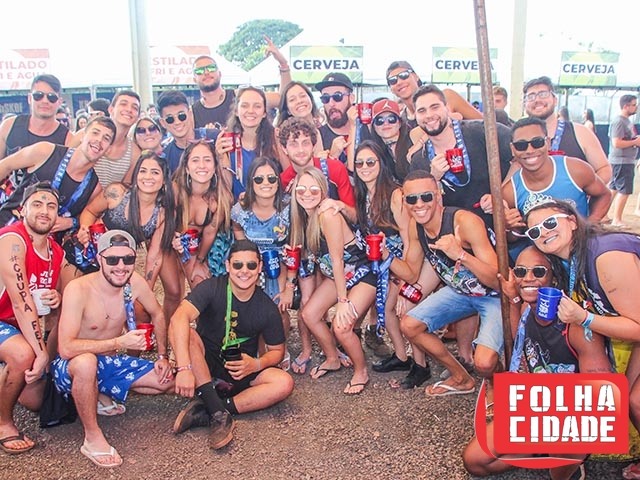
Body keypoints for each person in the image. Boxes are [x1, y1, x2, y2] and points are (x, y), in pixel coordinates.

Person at [462, 246, 611, 479]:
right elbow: (518, 339)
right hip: (535, 408)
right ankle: (540, 449)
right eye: (521, 271)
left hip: (568, 416)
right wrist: (513, 299)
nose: (528, 278)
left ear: (555, 278)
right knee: (475, 462)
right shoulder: (525, 310)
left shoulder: (576, 326)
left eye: (539, 271)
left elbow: (600, 397)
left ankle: (569, 464)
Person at [520, 197, 640, 480]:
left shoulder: (606, 256)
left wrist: (584, 318)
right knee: (630, 399)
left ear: (572, 221)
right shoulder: (572, 260)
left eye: (550, 223)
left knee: (637, 401)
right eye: (535, 231)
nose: (543, 232)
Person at [53, 230, 174, 468]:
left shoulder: (134, 282)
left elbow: (158, 313)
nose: (121, 266)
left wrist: (162, 356)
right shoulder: (79, 289)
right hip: (71, 367)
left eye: (128, 259)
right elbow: (66, 348)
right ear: (100, 259)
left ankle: (100, 393)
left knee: (167, 381)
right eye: (112, 259)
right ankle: (92, 437)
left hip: (108, 364)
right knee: (87, 363)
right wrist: (119, 343)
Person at [384, 170, 503, 397]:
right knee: (410, 325)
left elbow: (497, 280)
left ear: (438, 195)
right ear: (405, 202)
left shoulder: (465, 222)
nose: (419, 204)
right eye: (412, 199)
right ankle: (461, 378)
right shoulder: (416, 226)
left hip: (493, 297)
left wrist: (461, 255)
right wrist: (385, 255)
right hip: (461, 293)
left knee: (485, 363)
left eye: (426, 196)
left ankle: (498, 385)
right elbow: (411, 274)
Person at [168, 239, 294, 448]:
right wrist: (183, 368)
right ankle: (218, 413)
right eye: (237, 265)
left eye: (251, 265)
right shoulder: (211, 288)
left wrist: (256, 364)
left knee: (284, 383)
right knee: (184, 331)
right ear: (228, 266)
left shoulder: (266, 307)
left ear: (260, 268)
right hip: (204, 365)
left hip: (240, 369)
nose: (244, 271)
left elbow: (277, 351)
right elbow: (178, 318)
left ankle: (212, 408)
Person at [277, 117, 356, 373]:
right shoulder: (285, 179)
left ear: (314, 144)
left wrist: (339, 205)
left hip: (338, 248)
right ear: (284, 149)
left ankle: (334, 347)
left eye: (305, 142)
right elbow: (293, 230)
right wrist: (289, 283)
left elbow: (355, 215)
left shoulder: (334, 168)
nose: (300, 149)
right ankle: (310, 350)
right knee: (308, 304)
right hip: (309, 250)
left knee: (328, 306)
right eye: (293, 143)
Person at [290, 167, 376, 394]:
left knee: (341, 326)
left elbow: (338, 261)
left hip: (360, 274)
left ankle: (361, 371)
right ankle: (332, 358)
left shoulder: (327, 215)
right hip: (338, 276)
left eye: (313, 189)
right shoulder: (303, 217)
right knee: (309, 314)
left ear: (323, 190)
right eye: (301, 189)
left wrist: (343, 301)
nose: (307, 194)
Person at [353, 140, 427, 387]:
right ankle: (402, 357)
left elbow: (408, 237)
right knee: (387, 310)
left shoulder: (395, 194)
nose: (365, 167)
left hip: (401, 262)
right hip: (383, 262)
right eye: (359, 163)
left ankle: (421, 365)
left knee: (405, 311)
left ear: (381, 163)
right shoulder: (364, 194)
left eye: (370, 162)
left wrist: (405, 276)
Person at [0, 182, 65, 455]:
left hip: (18, 327)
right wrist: (40, 353)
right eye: (37, 204)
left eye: (51, 206)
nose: (44, 211)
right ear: (21, 210)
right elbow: (20, 301)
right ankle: (3, 423)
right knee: (24, 356)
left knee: (37, 400)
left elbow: (48, 301)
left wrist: (56, 297)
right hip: (6, 321)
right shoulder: (12, 239)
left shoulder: (55, 251)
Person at [77, 151, 179, 320]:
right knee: (81, 309)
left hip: (117, 266)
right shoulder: (117, 193)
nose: (148, 177)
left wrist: (144, 290)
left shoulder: (163, 213)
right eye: (143, 171)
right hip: (88, 255)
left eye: (155, 172)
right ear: (136, 174)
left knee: (142, 313)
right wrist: (84, 230)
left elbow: (154, 256)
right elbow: (90, 211)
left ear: (164, 180)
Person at [409, 84, 513, 231]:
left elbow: (522, 156)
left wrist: (500, 195)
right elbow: (423, 211)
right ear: (415, 116)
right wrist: (434, 179)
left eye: (435, 107)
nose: (429, 115)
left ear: (447, 108)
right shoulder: (419, 160)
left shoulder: (482, 131)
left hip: (499, 230)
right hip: (455, 236)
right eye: (422, 111)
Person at [503, 116, 611, 243]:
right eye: (521, 145)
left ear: (548, 143)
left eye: (537, 142)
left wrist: (588, 226)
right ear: (512, 149)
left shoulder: (575, 170)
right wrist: (510, 227)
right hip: (541, 251)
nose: (530, 150)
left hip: (582, 245)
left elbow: (604, 195)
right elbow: (513, 238)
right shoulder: (510, 192)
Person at [0, 116, 116, 232]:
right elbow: (5, 166)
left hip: (46, 240)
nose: (99, 140)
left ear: (109, 150)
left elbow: (88, 214)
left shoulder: (95, 188)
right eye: (95, 133)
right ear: (82, 136)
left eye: (106, 138)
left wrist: (71, 222)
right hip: (8, 225)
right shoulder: (45, 151)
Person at [230, 156, 292, 369]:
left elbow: (295, 246)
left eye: (271, 178)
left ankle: (281, 348)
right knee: (251, 311)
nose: (266, 183)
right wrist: (248, 260)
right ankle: (259, 350)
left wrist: (288, 285)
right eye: (259, 179)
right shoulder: (240, 210)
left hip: (281, 265)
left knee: (279, 310)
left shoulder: (288, 208)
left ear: (278, 181)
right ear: (251, 182)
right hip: (251, 266)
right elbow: (237, 229)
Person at [523, 76, 611, 183]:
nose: (537, 100)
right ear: (525, 104)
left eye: (543, 94)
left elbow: (604, 169)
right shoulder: (517, 138)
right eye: (531, 96)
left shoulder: (580, 132)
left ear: (555, 100)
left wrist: (586, 190)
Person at [191, 36, 291, 129]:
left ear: (220, 74)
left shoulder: (241, 95)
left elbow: (283, 99)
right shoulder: (192, 114)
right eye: (199, 71)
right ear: (194, 80)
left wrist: (283, 64)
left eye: (211, 68)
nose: (206, 72)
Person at [0, 74, 73, 201]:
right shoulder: (9, 126)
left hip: (42, 207)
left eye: (51, 97)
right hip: (5, 204)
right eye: (38, 95)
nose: (45, 101)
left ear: (59, 102)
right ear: (30, 98)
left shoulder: (68, 139)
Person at [173, 139, 234, 284]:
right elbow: (165, 222)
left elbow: (209, 232)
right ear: (186, 168)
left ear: (215, 167)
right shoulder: (175, 191)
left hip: (197, 246)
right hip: (171, 241)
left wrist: (199, 261)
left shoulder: (220, 198)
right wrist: (172, 238)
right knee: (174, 292)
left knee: (198, 282)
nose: (202, 165)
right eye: (195, 160)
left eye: (207, 160)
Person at [215, 86, 280, 199]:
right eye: (245, 106)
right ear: (236, 111)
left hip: (268, 205)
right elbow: (227, 187)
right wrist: (220, 158)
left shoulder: (274, 139)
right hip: (236, 207)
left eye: (257, 106)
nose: (250, 111)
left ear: (264, 113)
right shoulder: (227, 142)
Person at [385, 60, 482, 130]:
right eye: (392, 80)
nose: (399, 82)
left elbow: (486, 125)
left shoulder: (447, 97)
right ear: (391, 89)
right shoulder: (401, 121)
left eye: (403, 75)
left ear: (416, 77)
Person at [83, 90, 141, 188]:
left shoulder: (134, 153)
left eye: (134, 107)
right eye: (123, 104)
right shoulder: (86, 134)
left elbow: (123, 190)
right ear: (111, 109)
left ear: (137, 117)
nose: (129, 110)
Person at [315, 72, 371, 166]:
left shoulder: (368, 128)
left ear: (351, 98)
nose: (331, 104)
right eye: (325, 98)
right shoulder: (318, 136)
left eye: (337, 97)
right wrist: (332, 157)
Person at [607, 94, 640, 227]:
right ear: (626, 106)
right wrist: (635, 142)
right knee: (624, 190)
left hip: (623, 161)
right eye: (634, 104)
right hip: (622, 161)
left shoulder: (626, 121)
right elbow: (616, 143)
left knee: (614, 189)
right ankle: (617, 219)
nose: (636, 107)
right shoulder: (619, 122)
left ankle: (603, 215)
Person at [367, 98, 413, 182]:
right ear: (373, 126)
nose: (386, 124)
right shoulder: (374, 150)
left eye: (391, 119)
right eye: (380, 120)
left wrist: (418, 145)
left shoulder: (413, 137)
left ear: (399, 123)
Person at [157, 89, 199, 173]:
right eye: (170, 119)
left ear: (190, 114)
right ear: (163, 123)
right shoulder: (164, 158)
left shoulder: (213, 139)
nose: (177, 122)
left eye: (181, 116)